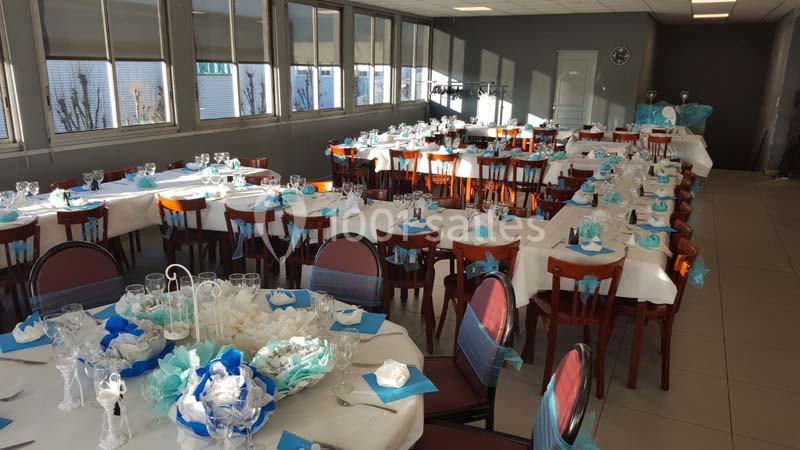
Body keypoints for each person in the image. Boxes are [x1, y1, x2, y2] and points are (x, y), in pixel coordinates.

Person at [778, 90, 800, 178]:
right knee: (791, 149)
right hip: (796, 128)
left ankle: (785, 172)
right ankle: (784, 172)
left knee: (791, 149)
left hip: (795, 127)